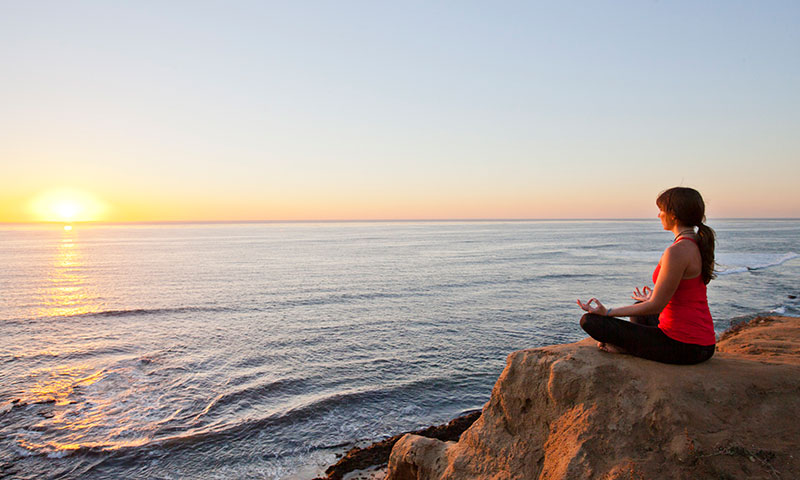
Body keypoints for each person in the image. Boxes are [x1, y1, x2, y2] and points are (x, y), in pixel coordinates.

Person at [576, 187, 717, 365]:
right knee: (640, 309)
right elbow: (689, 290)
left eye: (661, 211)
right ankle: (631, 345)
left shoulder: (677, 251)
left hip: (685, 346)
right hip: (703, 342)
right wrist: (653, 296)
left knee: (590, 321)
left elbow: (656, 306)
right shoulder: (699, 243)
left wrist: (608, 312)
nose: (659, 216)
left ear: (673, 215)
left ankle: (626, 348)